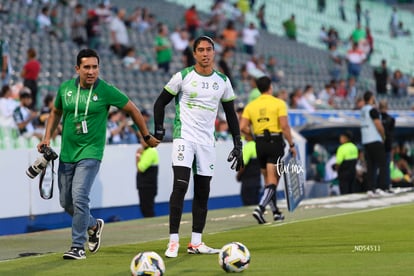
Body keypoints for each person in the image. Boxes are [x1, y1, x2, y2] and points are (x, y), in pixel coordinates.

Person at [36, 49, 159, 260]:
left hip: (91, 153)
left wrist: (146, 135)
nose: (92, 71)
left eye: (95, 67)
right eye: (87, 67)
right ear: (78, 69)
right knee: (66, 203)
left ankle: (77, 246)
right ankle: (93, 225)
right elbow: (56, 112)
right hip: (67, 154)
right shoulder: (65, 89)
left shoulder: (105, 90)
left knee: (80, 196)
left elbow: (133, 109)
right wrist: (47, 137)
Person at [153, 36, 243, 258]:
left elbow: (231, 114)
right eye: (201, 50)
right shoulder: (183, 76)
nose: (205, 53)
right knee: (180, 187)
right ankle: (173, 241)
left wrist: (238, 143)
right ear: (194, 54)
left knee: (203, 192)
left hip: (206, 142)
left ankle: (196, 242)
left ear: (214, 53)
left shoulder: (222, 81)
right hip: (184, 138)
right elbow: (159, 102)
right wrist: (159, 130)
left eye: (209, 50)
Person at [239, 76, 296, 224]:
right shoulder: (278, 103)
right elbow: (284, 126)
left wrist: (251, 137)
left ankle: (276, 212)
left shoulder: (251, 106)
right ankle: (260, 208)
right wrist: (291, 144)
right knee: (273, 179)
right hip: (274, 141)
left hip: (259, 143)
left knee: (267, 180)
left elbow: (242, 127)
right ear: (270, 87)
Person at [360, 91, 387, 197]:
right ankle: (382, 187)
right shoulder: (372, 110)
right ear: (371, 98)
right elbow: (378, 125)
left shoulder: (362, 110)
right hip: (375, 139)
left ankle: (370, 189)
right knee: (383, 164)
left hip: (366, 140)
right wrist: (383, 136)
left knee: (371, 166)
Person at [136, 135, 159, 218]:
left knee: (147, 210)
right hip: (145, 186)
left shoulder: (151, 151)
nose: (142, 141)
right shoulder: (146, 151)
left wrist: (137, 156)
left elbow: (140, 169)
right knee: (145, 209)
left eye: (144, 139)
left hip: (148, 186)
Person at [236, 132, 261, 205]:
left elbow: (243, 164)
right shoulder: (258, 146)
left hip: (248, 182)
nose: (244, 136)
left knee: (248, 205)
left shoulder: (248, 147)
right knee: (255, 204)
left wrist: (238, 176)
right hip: (257, 182)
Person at [379, 100, 395, 191]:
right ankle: (386, 185)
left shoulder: (378, 118)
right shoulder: (391, 119)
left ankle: (382, 185)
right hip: (386, 145)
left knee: (382, 167)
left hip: (381, 145)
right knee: (386, 167)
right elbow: (391, 135)